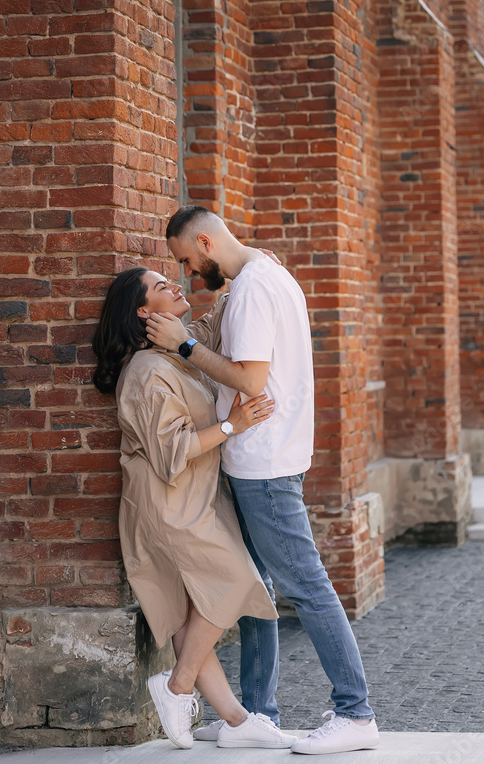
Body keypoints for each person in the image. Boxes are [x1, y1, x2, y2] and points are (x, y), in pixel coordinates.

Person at [145, 206, 380, 756]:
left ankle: (356, 712)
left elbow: (251, 380)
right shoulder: (269, 276)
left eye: (186, 260)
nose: (187, 273)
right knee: (258, 588)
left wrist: (182, 344)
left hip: (264, 464)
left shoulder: (252, 288)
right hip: (265, 457)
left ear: (205, 242)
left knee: (306, 585)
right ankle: (251, 716)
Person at [91, 266, 298, 751]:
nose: (176, 286)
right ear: (144, 313)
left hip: (192, 500)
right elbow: (171, 451)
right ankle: (177, 687)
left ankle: (234, 719)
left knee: (191, 616)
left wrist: (250, 266)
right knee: (233, 579)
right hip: (169, 506)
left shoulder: (176, 352)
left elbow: (211, 324)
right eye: (162, 287)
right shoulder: (147, 372)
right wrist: (234, 425)